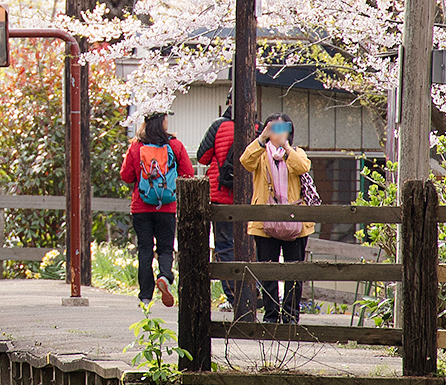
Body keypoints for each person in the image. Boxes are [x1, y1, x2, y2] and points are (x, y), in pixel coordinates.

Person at [240, 113, 314, 323]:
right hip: (265, 220)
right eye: (274, 128)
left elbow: (303, 167)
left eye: (283, 127)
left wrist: (287, 148)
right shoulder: (260, 155)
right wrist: (261, 139)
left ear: (290, 131)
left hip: (295, 220)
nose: (279, 132)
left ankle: (291, 316)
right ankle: (271, 315)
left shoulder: (297, 153)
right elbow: (245, 162)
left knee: (294, 272)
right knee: (268, 271)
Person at [120, 112, 194, 308]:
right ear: (162, 122)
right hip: (167, 207)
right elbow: (188, 173)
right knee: (165, 248)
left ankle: (145, 297)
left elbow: (126, 176)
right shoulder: (174, 145)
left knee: (145, 250)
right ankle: (165, 276)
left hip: (141, 207)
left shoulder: (136, 146)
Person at [195, 105, 240, 297]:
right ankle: (252, 293)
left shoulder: (219, 126)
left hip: (222, 194)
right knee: (249, 244)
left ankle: (232, 295)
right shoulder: (258, 128)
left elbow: (202, 157)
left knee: (224, 245)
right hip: (251, 197)